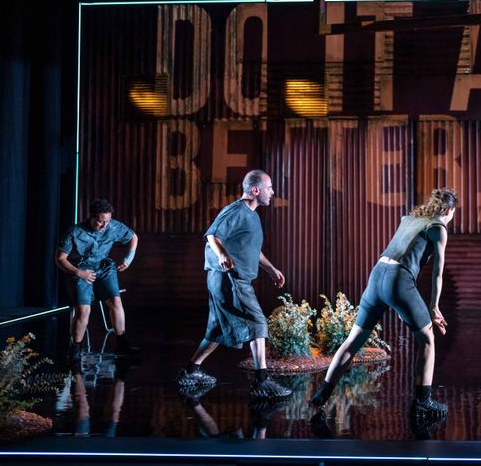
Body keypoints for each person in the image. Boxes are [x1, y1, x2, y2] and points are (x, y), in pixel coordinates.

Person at [310, 187, 458, 425]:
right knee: (428, 340)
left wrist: (404, 301)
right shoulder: (439, 229)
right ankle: (423, 402)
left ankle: (322, 394)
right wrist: (434, 307)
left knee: (353, 341)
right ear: (450, 210)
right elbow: (437, 275)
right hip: (398, 280)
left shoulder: (410, 218)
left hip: (376, 275)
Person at [177, 170, 291, 400]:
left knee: (217, 329)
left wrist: (271, 269)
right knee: (258, 321)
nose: (273, 192)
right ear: (256, 190)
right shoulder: (236, 211)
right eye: (269, 187)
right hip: (229, 278)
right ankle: (262, 381)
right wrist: (221, 255)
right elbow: (212, 236)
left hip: (230, 279)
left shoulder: (253, 216)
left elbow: (252, 250)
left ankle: (190, 371)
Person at [56, 199, 139, 361]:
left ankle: (121, 344)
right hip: (81, 268)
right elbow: (60, 259)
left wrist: (128, 259)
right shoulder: (75, 232)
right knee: (84, 310)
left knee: (115, 301)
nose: (103, 226)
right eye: (100, 222)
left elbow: (133, 237)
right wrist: (79, 273)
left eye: (106, 222)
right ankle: (76, 347)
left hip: (103, 266)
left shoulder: (114, 226)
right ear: (92, 218)